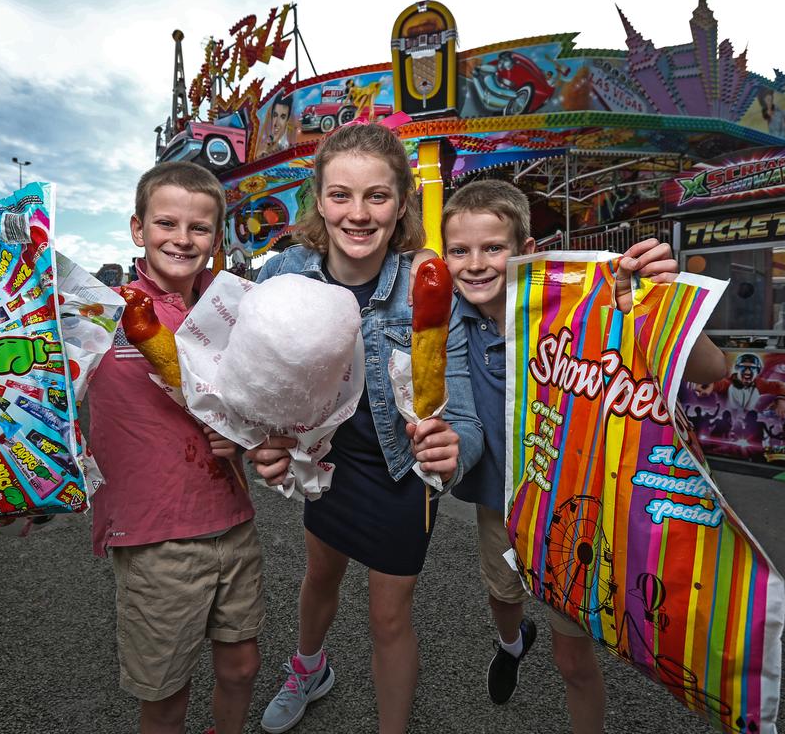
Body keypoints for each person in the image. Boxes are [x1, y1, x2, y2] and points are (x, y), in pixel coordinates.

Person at [0, 164, 263, 734]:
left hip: (233, 520)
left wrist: (244, 434)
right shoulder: (98, 312)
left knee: (241, 666)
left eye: (199, 228)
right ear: (138, 229)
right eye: (165, 222)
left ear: (217, 238)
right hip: (154, 535)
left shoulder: (235, 313)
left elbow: (265, 402)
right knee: (165, 695)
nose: (182, 238)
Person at [439, 178, 727, 734]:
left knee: (572, 659)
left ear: (525, 251)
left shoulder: (581, 304)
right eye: (460, 250)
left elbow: (712, 371)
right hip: (498, 504)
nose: (474, 265)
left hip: (566, 509)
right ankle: (510, 641)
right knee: (502, 597)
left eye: (492, 248)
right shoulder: (448, 319)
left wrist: (653, 300)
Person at [246, 122, 484, 734]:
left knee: (389, 617)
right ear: (319, 200)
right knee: (319, 575)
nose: (358, 213)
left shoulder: (429, 286)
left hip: (402, 471)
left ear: (402, 202)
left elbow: (461, 411)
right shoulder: (285, 277)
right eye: (341, 195)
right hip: (329, 463)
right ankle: (308, 667)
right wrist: (263, 443)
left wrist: (455, 446)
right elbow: (243, 383)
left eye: (377, 196)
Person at [260, 91, 293, 157]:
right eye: (275, 115)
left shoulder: (287, 145)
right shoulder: (267, 142)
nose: (276, 123)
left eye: (282, 117)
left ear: (287, 120)